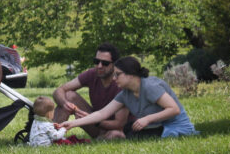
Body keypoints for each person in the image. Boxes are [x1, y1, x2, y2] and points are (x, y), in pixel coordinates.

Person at [60, 56, 199, 139]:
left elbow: (174, 109)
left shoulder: (150, 86)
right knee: (131, 130)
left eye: (118, 74)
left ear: (131, 75)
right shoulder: (125, 93)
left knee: (137, 135)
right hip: (156, 126)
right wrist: (73, 124)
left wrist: (147, 119)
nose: (114, 78)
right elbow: (102, 113)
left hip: (174, 128)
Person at [51, 42, 125, 139]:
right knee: (68, 96)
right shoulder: (92, 74)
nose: (99, 66)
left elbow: (119, 124)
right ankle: (50, 136)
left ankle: (102, 138)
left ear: (114, 65)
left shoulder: (121, 84)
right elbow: (59, 90)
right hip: (95, 123)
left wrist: (91, 120)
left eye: (105, 63)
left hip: (114, 129)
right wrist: (65, 103)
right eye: (96, 61)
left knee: (116, 134)